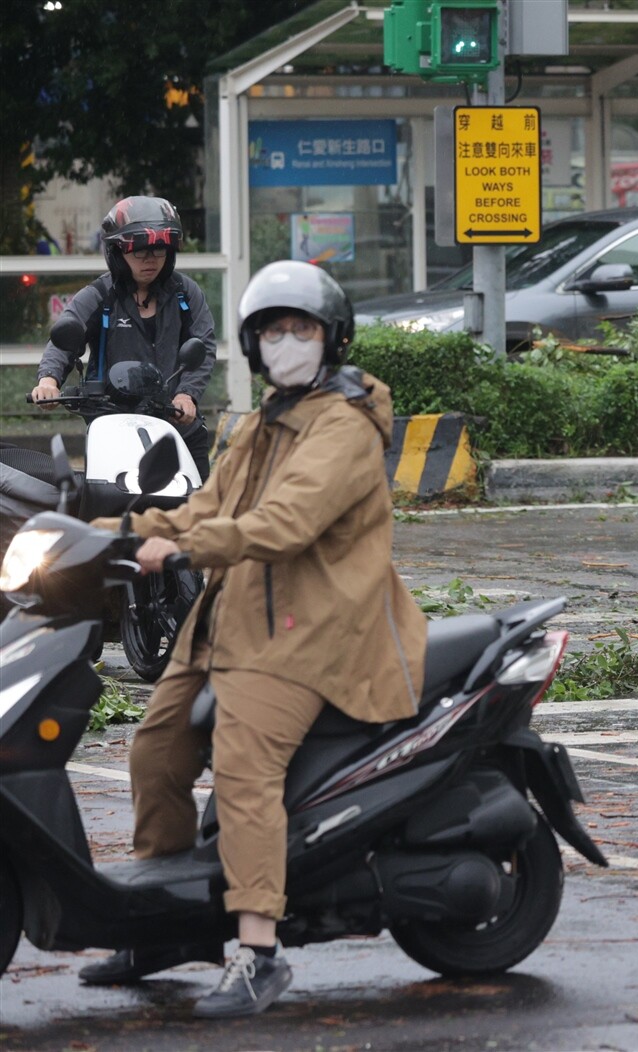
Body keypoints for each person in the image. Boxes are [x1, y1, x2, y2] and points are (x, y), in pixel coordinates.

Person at [77, 260, 427, 1019]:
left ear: (330, 339)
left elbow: (286, 523)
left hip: (309, 630)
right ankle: (165, 928)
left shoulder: (343, 426)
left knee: (243, 765)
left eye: (301, 329)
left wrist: (185, 551)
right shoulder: (262, 420)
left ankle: (258, 952)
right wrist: (116, 532)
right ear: (254, 343)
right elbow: (208, 504)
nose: (287, 342)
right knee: (155, 750)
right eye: (274, 330)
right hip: (231, 621)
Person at [32, 196, 218, 479]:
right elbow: (65, 337)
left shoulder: (186, 293)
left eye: (159, 250)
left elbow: (202, 344)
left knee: (202, 509)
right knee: (101, 511)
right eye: (139, 251)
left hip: (175, 424)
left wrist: (186, 394)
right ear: (117, 253)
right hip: (114, 426)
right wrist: (49, 380)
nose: (150, 259)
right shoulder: (98, 296)